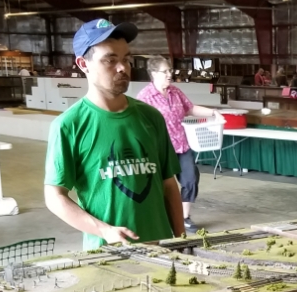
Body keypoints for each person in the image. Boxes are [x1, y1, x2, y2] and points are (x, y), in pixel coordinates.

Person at [44, 19, 185, 251]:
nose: (122, 68)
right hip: (106, 252)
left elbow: (168, 184)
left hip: (160, 247)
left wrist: (182, 239)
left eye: (126, 59)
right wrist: (104, 230)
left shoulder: (151, 117)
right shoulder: (69, 125)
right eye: (110, 60)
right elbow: (54, 196)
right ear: (83, 64)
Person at [137, 56, 222, 234]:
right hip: (159, 149)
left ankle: (184, 218)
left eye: (170, 70)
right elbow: (138, 124)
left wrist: (214, 112)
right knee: (160, 185)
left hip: (181, 145)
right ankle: (161, 218)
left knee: (191, 179)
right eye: (165, 71)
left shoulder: (175, 92)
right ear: (154, 73)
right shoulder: (145, 97)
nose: (170, 74)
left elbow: (190, 108)